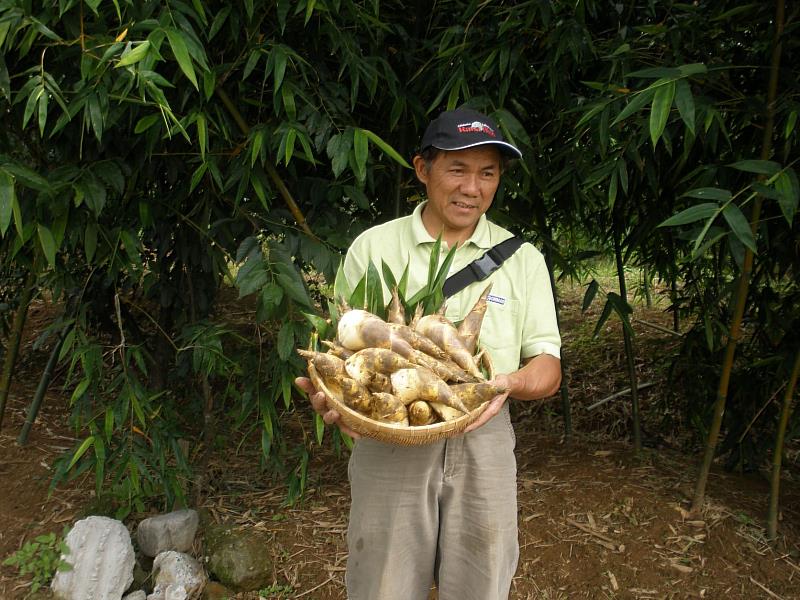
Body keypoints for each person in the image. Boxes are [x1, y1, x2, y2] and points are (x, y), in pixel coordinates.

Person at [295, 106, 562, 600]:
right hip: (390, 433)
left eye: (488, 173)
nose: (472, 187)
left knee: (482, 584)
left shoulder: (522, 259)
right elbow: (341, 350)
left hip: (485, 433)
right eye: (457, 169)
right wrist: (333, 396)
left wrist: (504, 383)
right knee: (383, 584)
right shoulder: (373, 248)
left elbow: (548, 368)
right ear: (422, 169)